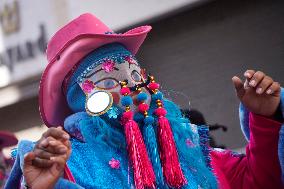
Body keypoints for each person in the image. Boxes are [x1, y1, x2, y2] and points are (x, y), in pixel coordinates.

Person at [5, 13, 284, 189]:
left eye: (135, 72)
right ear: (86, 101)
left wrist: (265, 120)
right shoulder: (66, 166)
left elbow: (260, 181)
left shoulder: (188, 151)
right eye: (108, 80)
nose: (132, 86)